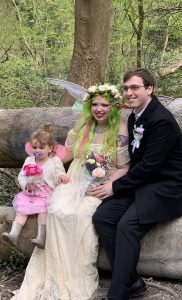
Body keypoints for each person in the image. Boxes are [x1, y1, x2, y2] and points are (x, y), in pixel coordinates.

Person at [11, 84, 130, 300]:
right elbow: (65, 156)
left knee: (82, 215)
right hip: (73, 178)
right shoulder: (82, 125)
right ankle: (55, 272)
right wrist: (41, 163)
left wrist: (108, 185)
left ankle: (76, 274)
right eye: (95, 104)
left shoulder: (120, 129)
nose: (99, 109)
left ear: (113, 106)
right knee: (56, 210)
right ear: (89, 106)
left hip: (100, 181)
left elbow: (124, 167)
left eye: (104, 105)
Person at [92, 68, 182, 300]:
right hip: (142, 184)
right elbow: (134, 160)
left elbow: (149, 167)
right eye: (125, 88)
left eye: (134, 87)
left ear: (149, 89)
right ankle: (132, 282)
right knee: (102, 217)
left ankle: (117, 294)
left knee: (127, 226)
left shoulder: (161, 120)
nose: (129, 92)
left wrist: (115, 187)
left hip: (166, 187)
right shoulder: (135, 116)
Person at [2, 123, 69, 249]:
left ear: (50, 148)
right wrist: (27, 185)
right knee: (22, 209)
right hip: (31, 193)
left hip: (46, 193)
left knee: (43, 211)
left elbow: (59, 172)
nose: (37, 151)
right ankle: (14, 235)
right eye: (35, 147)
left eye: (41, 148)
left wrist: (61, 177)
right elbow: (21, 176)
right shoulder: (29, 160)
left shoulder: (54, 160)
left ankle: (41, 237)